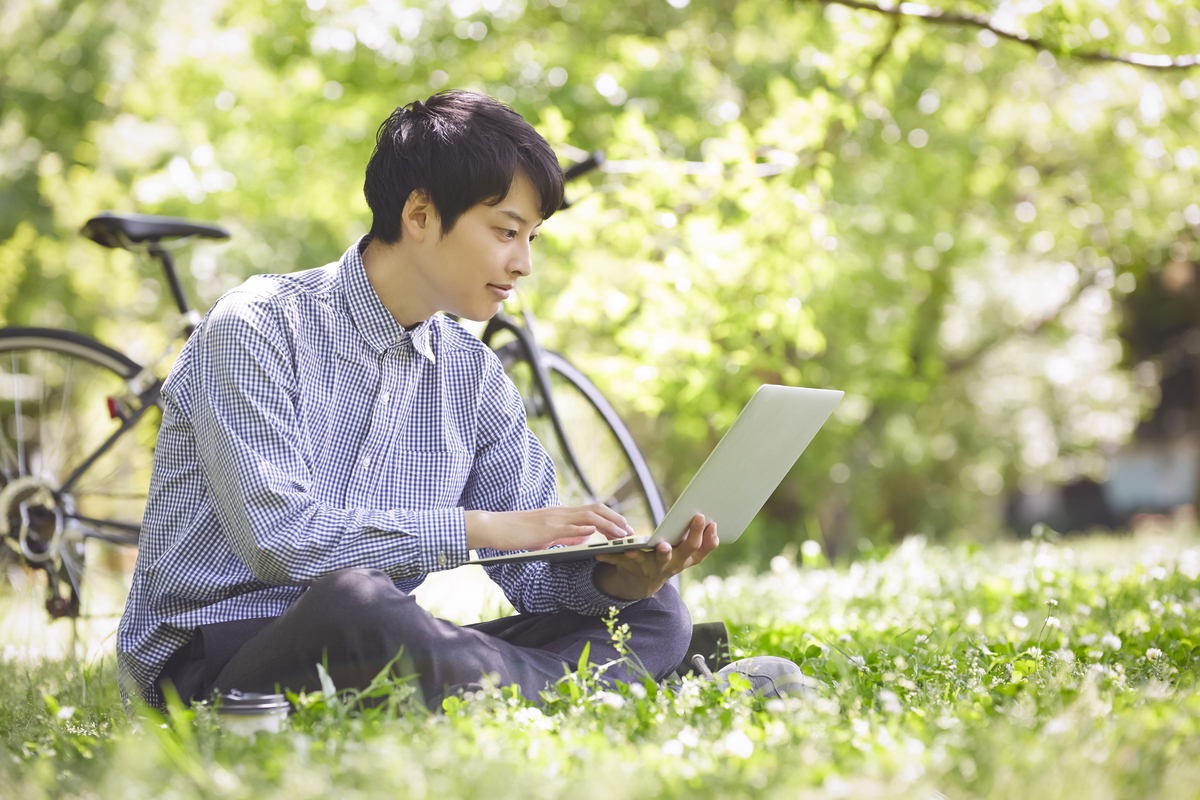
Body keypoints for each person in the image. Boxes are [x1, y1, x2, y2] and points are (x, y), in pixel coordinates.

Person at [116, 90, 719, 711]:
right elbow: (280, 538)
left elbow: (533, 572)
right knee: (358, 603)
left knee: (657, 615)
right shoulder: (258, 325)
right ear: (421, 215)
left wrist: (618, 579)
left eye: (532, 238)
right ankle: (601, 687)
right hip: (215, 657)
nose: (523, 264)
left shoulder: (472, 374)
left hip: (376, 646)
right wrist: (482, 528)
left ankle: (514, 686)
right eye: (507, 232)